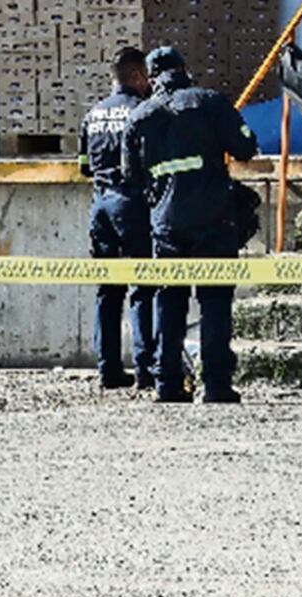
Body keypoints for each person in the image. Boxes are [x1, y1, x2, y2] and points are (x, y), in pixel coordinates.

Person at [121, 47, 258, 403]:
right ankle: (215, 384)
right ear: (184, 69)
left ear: (151, 79)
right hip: (214, 218)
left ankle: (168, 384)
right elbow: (245, 146)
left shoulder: (139, 116)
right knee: (214, 302)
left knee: (169, 302)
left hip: (166, 223)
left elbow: (129, 177)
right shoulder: (210, 102)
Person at [78, 46, 156, 390]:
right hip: (132, 204)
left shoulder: (93, 114)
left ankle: (108, 369)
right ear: (138, 76)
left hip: (100, 206)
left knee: (108, 291)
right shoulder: (142, 111)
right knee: (143, 286)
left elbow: (83, 167)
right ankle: (144, 368)